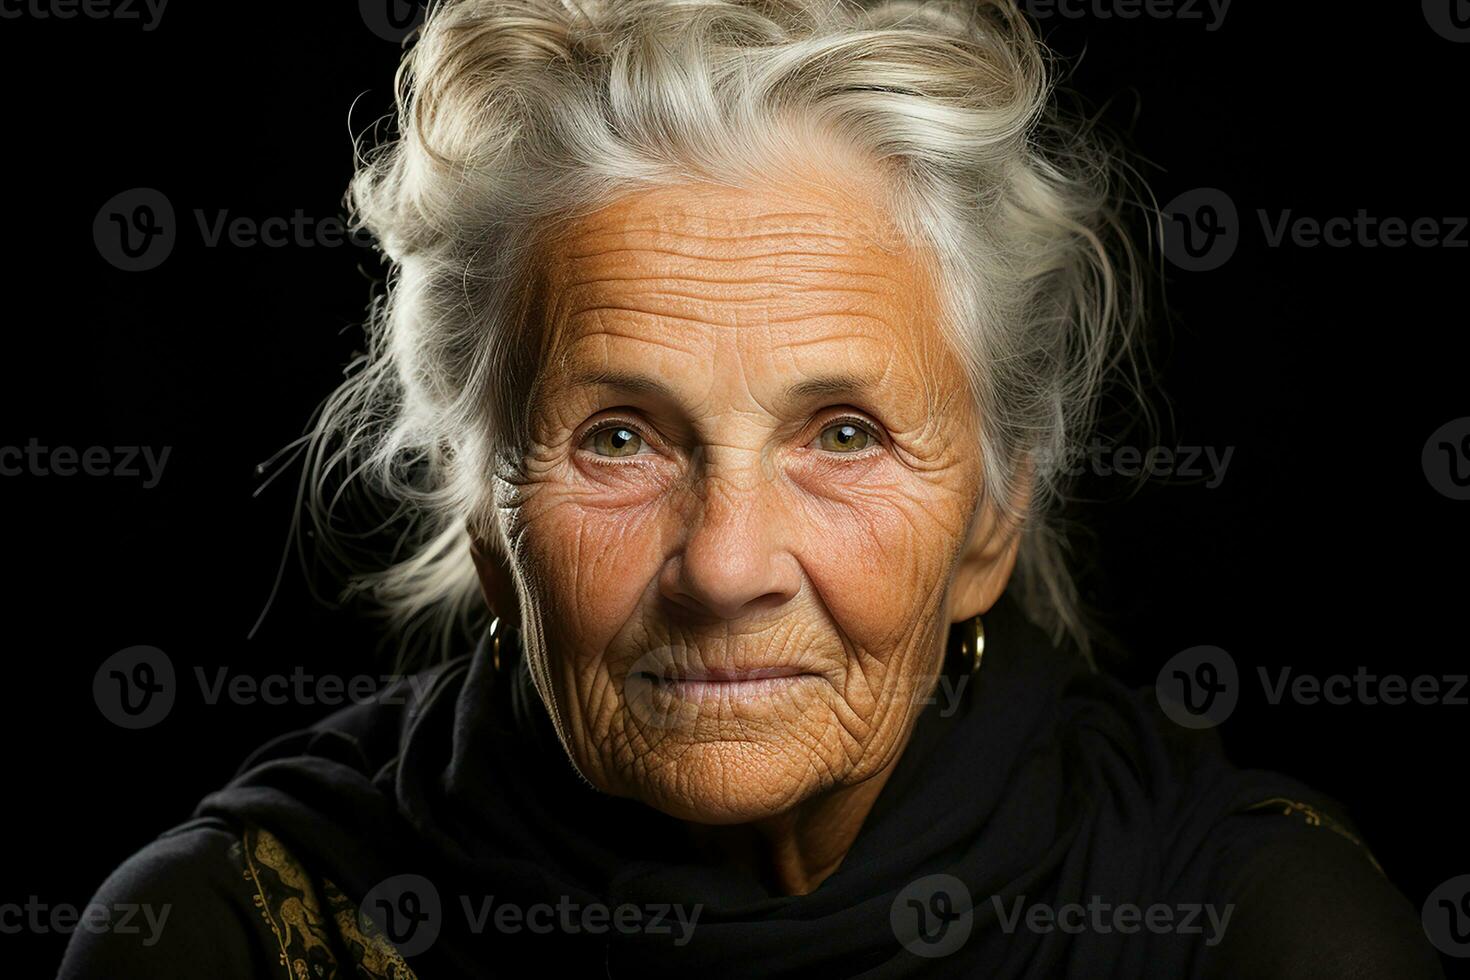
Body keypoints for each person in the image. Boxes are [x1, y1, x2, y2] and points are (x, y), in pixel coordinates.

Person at [59, 1, 1445, 976]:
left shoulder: (1261, 932)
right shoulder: (218, 940)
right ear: (483, 512)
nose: (726, 568)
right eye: (618, 439)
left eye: (841, 434)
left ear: (993, 514)